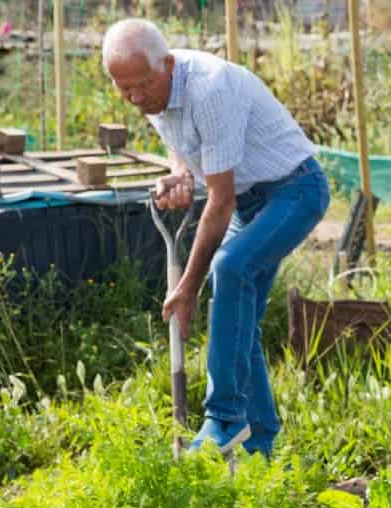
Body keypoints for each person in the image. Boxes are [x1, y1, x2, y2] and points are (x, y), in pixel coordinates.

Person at [102, 18, 329, 457]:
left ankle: (224, 418)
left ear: (167, 64)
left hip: (295, 190)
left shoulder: (209, 90)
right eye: (122, 89)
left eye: (141, 86)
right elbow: (179, 141)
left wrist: (187, 287)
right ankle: (261, 445)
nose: (134, 98)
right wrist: (179, 173)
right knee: (240, 318)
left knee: (229, 268)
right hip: (250, 198)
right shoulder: (153, 90)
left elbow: (219, 203)